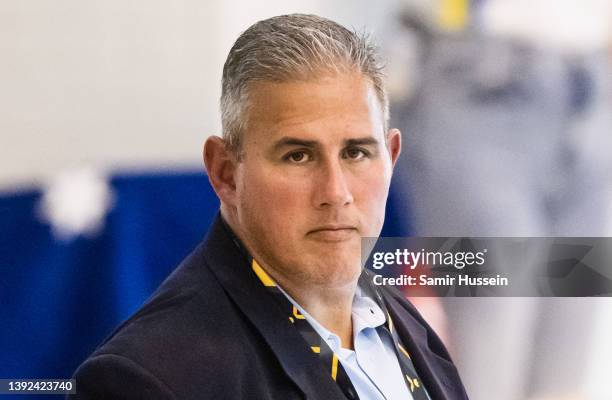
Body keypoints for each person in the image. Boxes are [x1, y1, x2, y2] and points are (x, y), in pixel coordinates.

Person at [71, 14, 467, 400]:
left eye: (356, 152)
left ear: (391, 158)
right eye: (298, 156)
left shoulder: (409, 327)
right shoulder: (146, 379)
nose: (335, 191)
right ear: (225, 172)